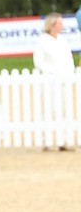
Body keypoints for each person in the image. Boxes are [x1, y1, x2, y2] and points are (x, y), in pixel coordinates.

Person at [33, 12, 77, 151]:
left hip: (64, 81)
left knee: (64, 109)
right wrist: (52, 72)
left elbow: (69, 58)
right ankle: (46, 141)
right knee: (48, 110)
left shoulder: (63, 40)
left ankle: (63, 141)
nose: (62, 26)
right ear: (52, 25)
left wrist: (69, 72)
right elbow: (38, 61)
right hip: (49, 83)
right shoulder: (42, 41)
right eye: (59, 23)